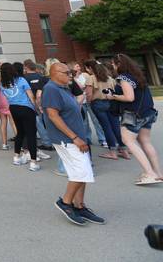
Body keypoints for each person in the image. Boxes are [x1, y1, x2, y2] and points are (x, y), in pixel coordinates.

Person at [43, 62, 104, 226]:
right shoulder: (51, 89)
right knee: (82, 170)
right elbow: (53, 116)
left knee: (81, 172)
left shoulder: (64, 88)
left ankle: (79, 205)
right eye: (67, 73)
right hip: (67, 139)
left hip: (77, 137)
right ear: (55, 73)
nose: (70, 75)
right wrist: (74, 137)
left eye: (70, 72)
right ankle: (66, 202)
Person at [108, 54, 161, 185]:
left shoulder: (123, 78)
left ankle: (150, 173)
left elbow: (129, 97)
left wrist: (113, 96)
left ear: (119, 64)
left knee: (128, 141)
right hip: (147, 113)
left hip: (133, 115)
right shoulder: (138, 76)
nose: (113, 67)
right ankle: (158, 173)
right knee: (146, 142)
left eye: (113, 64)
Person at [82, 59, 128, 161]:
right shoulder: (110, 79)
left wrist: (89, 102)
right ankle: (124, 150)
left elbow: (89, 94)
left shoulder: (91, 78)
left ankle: (113, 152)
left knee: (106, 127)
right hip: (111, 103)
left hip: (98, 103)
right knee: (116, 127)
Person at [1, 63, 40, 171]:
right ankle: (33, 162)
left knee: (20, 133)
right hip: (26, 108)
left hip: (13, 108)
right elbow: (30, 95)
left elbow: (6, 96)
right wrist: (36, 108)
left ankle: (16, 157)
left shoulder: (2, 84)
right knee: (31, 135)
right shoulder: (21, 80)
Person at [73, 62, 108, 147]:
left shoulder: (85, 75)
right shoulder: (72, 78)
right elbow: (80, 88)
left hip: (89, 100)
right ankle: (87, 139)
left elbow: (90, 85)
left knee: (96, 120)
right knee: (84, 122)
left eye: (79, 66)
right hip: (81, 102)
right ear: (72, 68)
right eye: (77, 66)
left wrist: (85, 88)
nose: (79, 67)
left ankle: (102, 139)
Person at [24, 60, 53, 152]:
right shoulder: (41, 77)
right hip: (45, 102)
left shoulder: (24, 79)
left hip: (32, 102)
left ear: (26, 67)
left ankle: (47, 143)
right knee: (47, 122)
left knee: (38, 123)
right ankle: (52, 141)